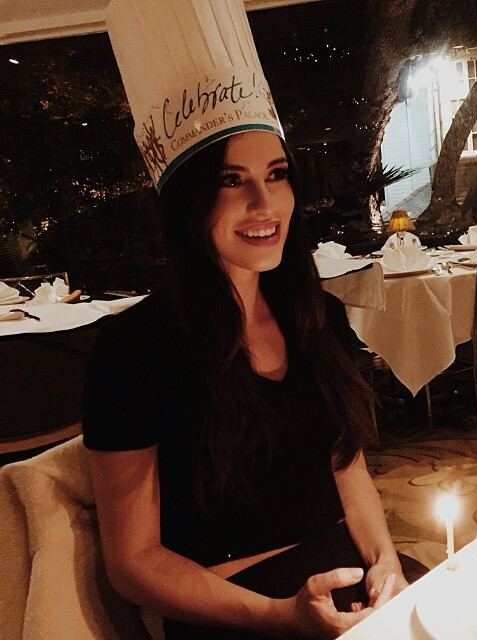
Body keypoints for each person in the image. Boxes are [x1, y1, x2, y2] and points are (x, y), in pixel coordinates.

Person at [82, 129, 413, 639]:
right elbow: (132, 562)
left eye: (276, 175)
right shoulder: (134, 347)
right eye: (231, 180)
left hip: (344, 572)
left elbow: (347, 469)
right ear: (188, 202)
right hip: (232, 607)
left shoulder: (317, 317)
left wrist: (385, 563)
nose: (264, 203)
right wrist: (282, 617)